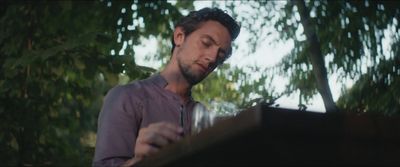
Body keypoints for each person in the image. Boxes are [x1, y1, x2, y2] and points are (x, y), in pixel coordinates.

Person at [92, 7, 240, 167]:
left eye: (220, 55)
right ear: (179, 36)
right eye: (206, 43)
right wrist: (139, 162)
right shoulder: (127, 97)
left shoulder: (203, 116)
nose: (212, 58)